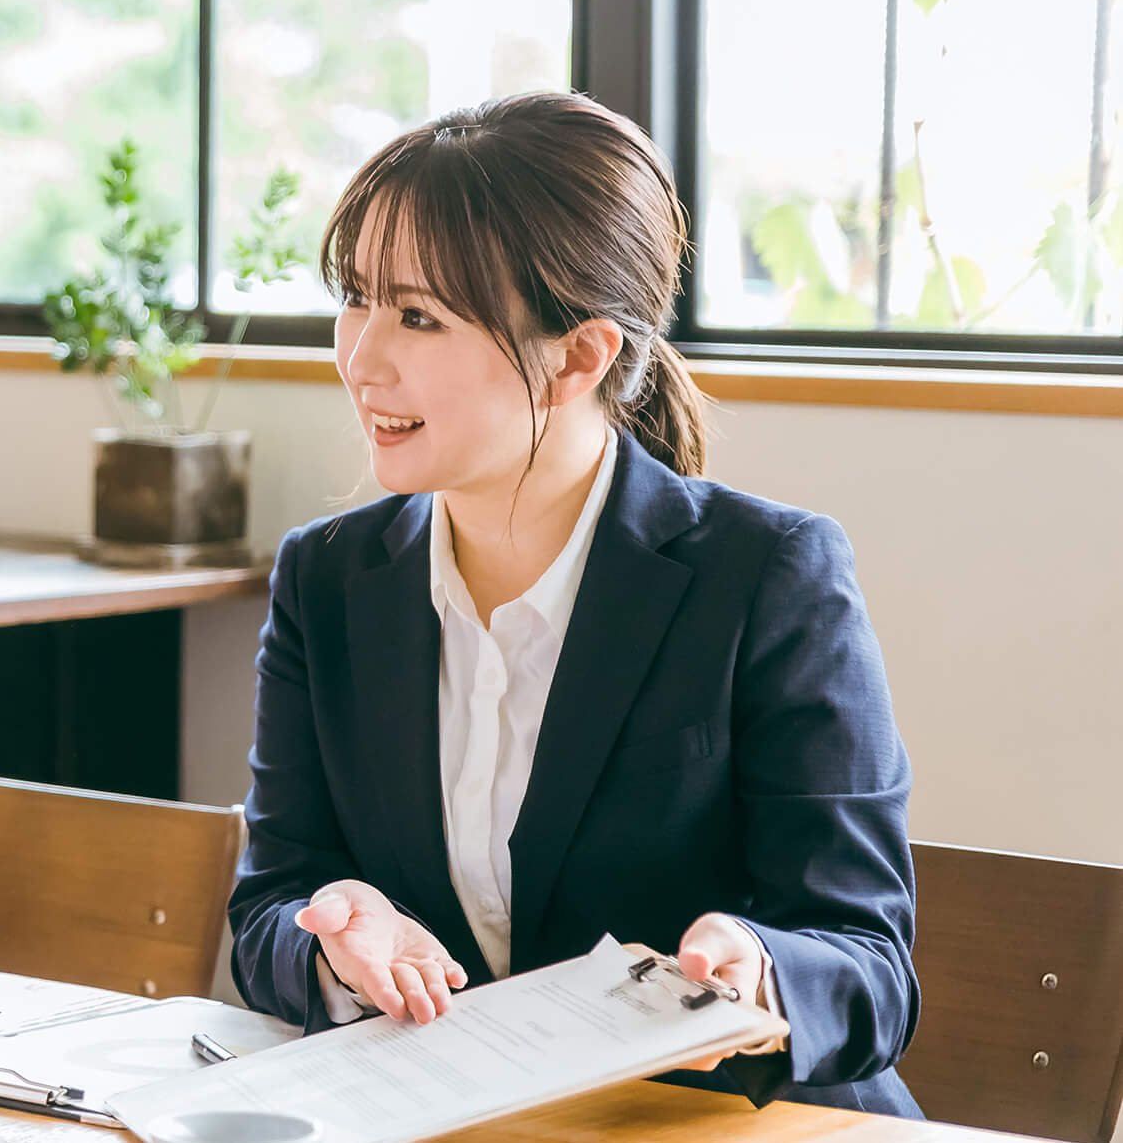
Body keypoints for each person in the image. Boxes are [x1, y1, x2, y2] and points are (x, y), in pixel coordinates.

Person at [227, 91, 921, 1115]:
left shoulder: (768, 574)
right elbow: (269, 905)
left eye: (417, 315)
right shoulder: (326, 580)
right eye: (357, 298)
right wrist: (337, 942)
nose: (360, 355)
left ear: (579, 356)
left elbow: (866, 959)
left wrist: (759, 967)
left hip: (722, 1125)